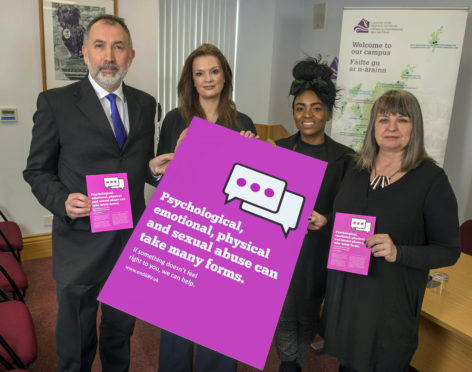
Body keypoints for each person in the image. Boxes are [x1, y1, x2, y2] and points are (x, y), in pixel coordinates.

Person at [23, 14, 170, 372]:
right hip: (80, 243)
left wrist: (151, 170)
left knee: (120, 337)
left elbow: (136, 163)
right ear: (85, 53)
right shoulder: (55, 103)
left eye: (118, 47)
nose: (109, 56)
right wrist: (62, 201)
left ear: (131, 55)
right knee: (75, 344)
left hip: (128, 242)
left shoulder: (146, 104)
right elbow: (37, 170)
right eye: (100, 46)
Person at [320, 90, 461, 371]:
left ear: (415, 127)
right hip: (347, 298)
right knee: (347, 366)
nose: (392, 128)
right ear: (373, 126)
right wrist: (326, 220)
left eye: (402, 120)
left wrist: (400, 252)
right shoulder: (355, 167)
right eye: (384, 119)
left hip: (389, 306)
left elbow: (449, 250)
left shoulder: (431, 180)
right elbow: (346, 217)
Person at [157, 43, 256, 372]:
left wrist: (253, 155)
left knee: (220, 323)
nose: (208, 78)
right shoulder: (174, 120)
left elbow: (252, 191)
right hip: (183, 230)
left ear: (225, 76)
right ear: (191, 80)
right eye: (200, 73)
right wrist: (177, 158)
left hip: (226, 236)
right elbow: (160, 178)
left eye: (214, 71)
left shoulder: (242, 121)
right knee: (175, 325)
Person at [273, 57, 353, 372]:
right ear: (293, 113)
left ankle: (298, 358)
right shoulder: (279, 148)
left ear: (329, 113)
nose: (307, 115)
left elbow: (350, 211)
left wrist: (328, 219)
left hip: (317, 251)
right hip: (280, 246)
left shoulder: (346, 159)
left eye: (316, 108)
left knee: (308, 312)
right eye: (300, 108)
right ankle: (287, 362)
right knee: (281, 310)